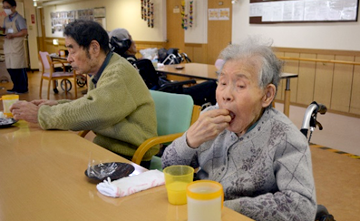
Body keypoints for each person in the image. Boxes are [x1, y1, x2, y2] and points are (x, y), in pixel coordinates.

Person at [161, 38, 317, 220]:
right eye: (222, 83)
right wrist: (189, 141)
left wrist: (221, 206)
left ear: (267, 95)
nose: (226, 95)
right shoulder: (210, 117)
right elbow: (169, 168)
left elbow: (302, 208)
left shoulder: (285, 137)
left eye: (240, 85)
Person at [10, 20, 158, 168]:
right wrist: (57, 104)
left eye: (72, 51)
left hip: (131, 157)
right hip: (108, 150)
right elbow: (92, 103)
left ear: (94, 48)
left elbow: (95, 110)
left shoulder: (118, 73)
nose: (68, 59)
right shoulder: (104, 70)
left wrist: (41, 114)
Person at [2, 0, 28, 94]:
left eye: (7, 7)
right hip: (8, 46)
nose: (5, 9)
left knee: (18, 68)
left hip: (16, 46)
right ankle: (15, 87)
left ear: (14, 7)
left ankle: (23, 88)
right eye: (4, 7)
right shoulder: (6, 19)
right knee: (10, 68)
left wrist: (13, 35)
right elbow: (4, 30)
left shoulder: (19, 18)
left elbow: (24, 31)